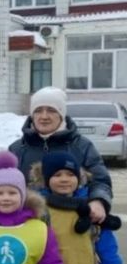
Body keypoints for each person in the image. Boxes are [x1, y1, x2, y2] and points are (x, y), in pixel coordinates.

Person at [9, 87, 113, 225]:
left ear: (61, 114)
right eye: (38, 111)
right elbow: (4, 185)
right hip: (28, 224)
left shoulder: (81, 146)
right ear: (32, 115)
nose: (44, 116)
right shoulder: (17, 148)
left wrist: (98, 201)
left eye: (51, 110)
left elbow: (100, 180)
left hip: (72, 223)